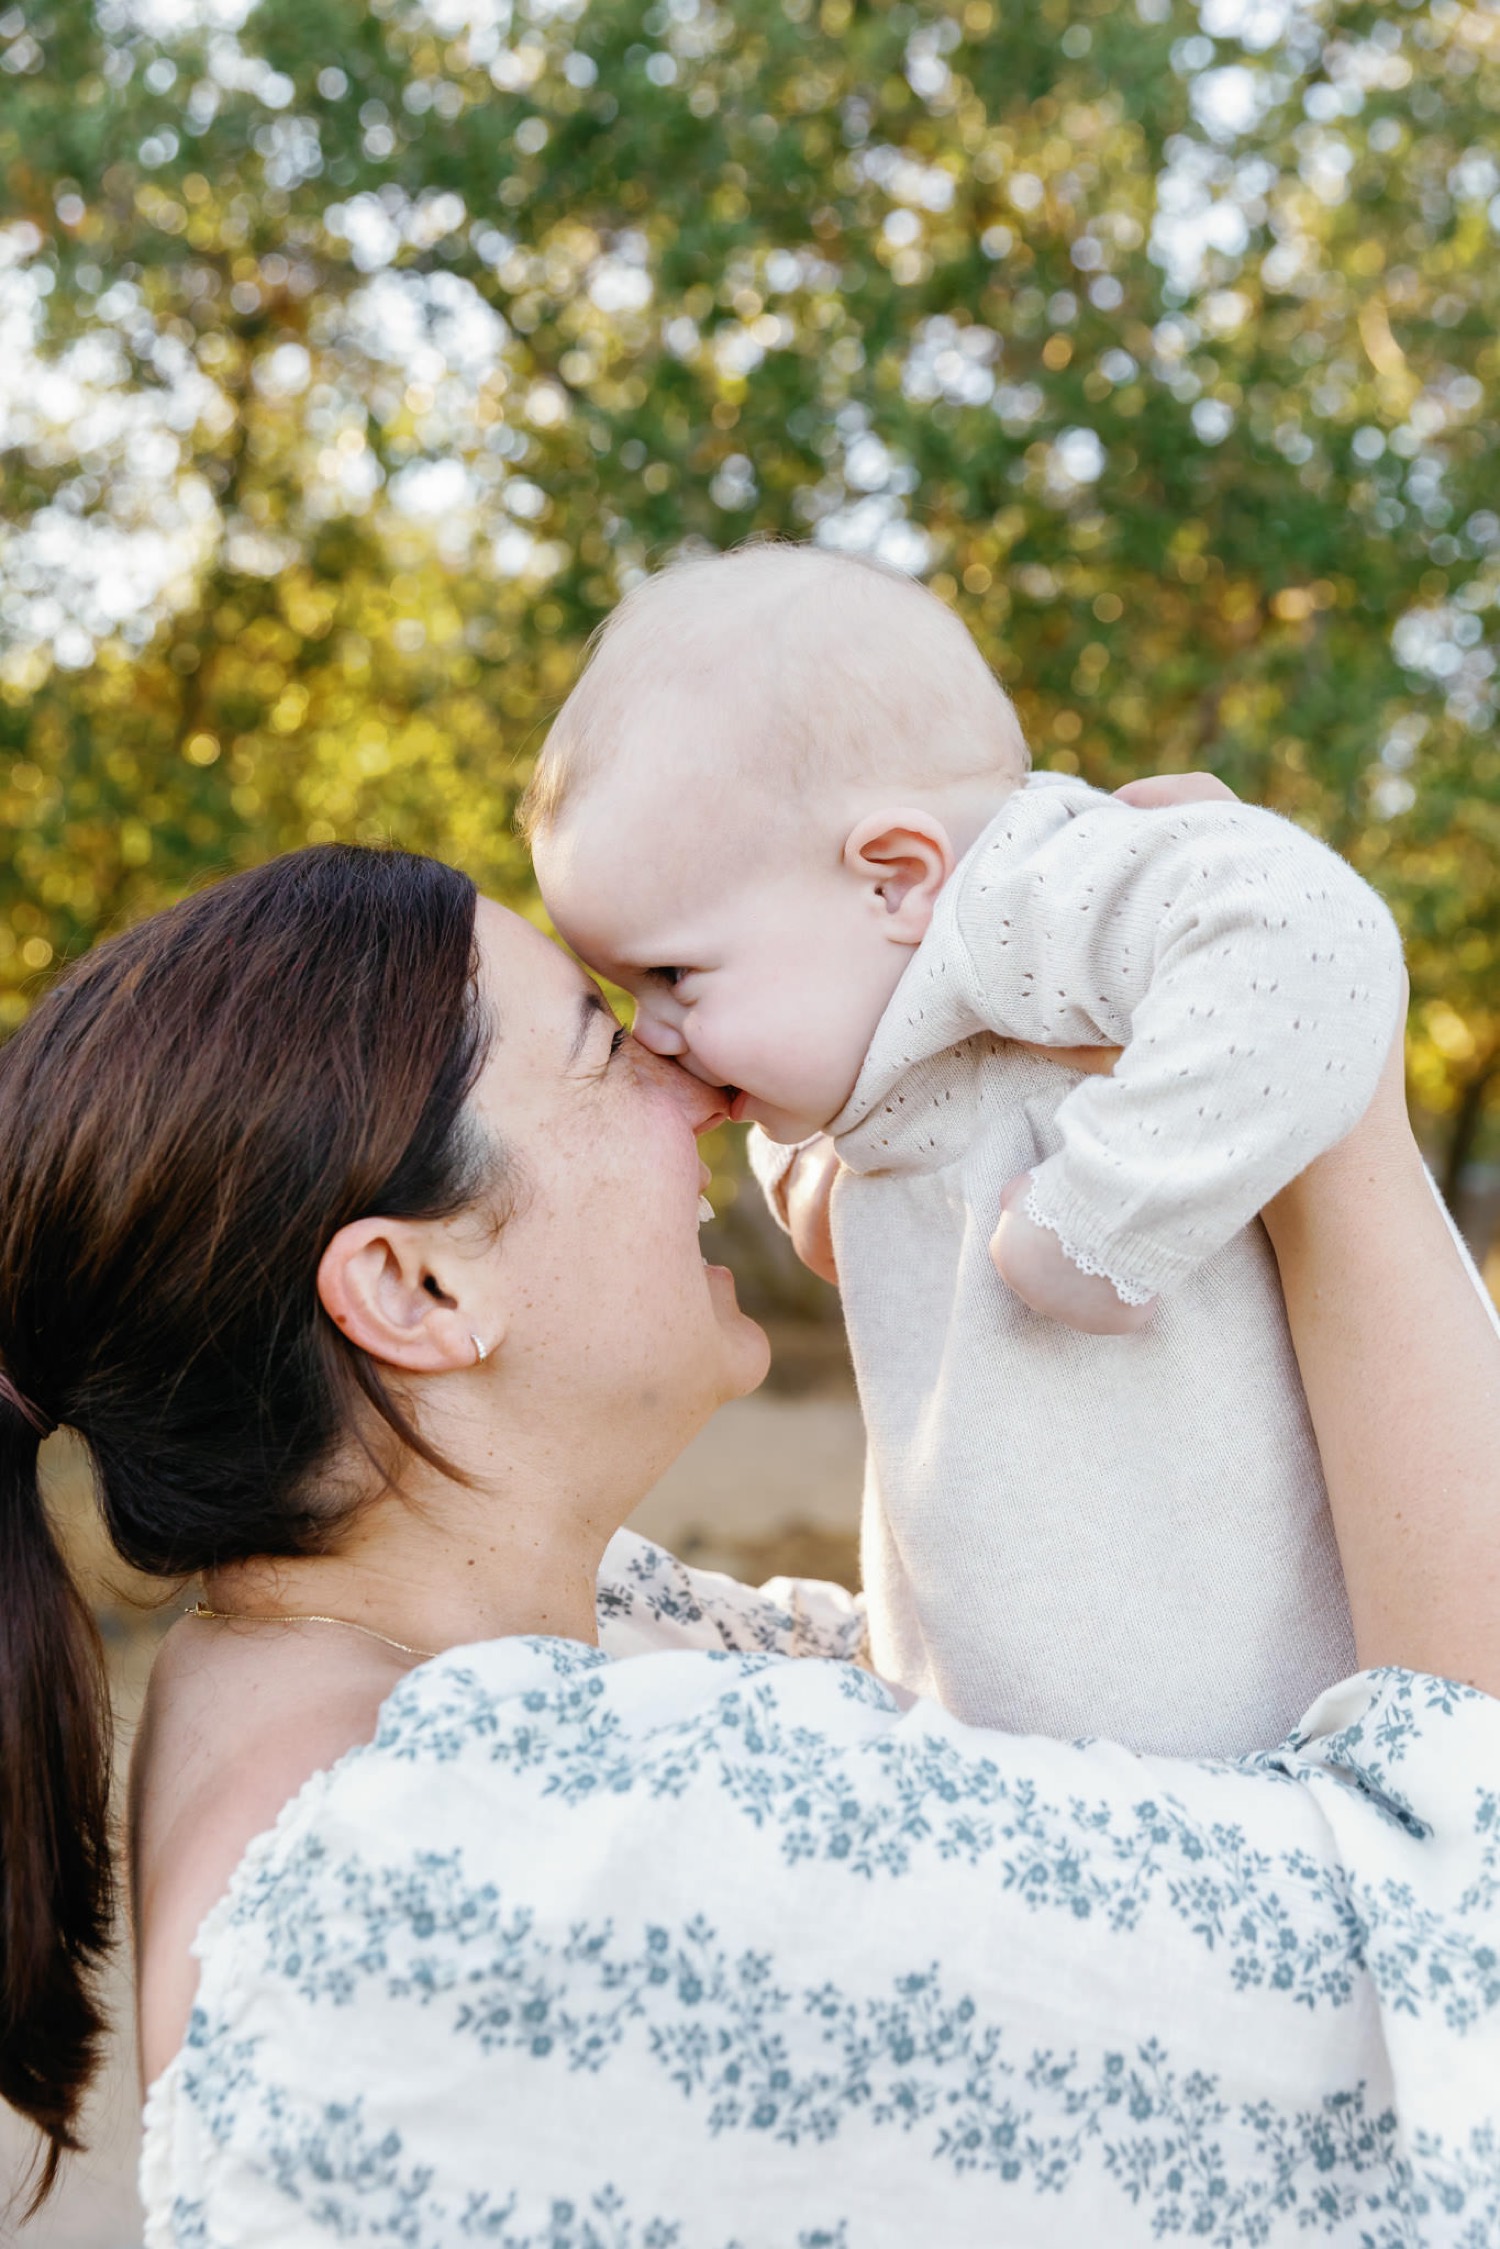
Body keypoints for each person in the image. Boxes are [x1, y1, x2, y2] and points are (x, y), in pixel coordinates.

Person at [0, 836, 1495, 2245]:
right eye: (606, 1042)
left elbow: (1074, 1702)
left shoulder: (446, 1666)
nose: (703, 1089)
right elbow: (1444, 1934)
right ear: (419, 1290)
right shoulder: (504, 1840)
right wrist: (1327, 1079)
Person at [525, 542, 1406, 1756]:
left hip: (1253, 1724)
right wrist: (815, 1170)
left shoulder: (1019, 896)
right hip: (1044, 1727)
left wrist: (1106, 1220)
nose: (656, 1032)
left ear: (895, 878)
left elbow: (1307, 930)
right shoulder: (885, 1026)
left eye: (671, 975)